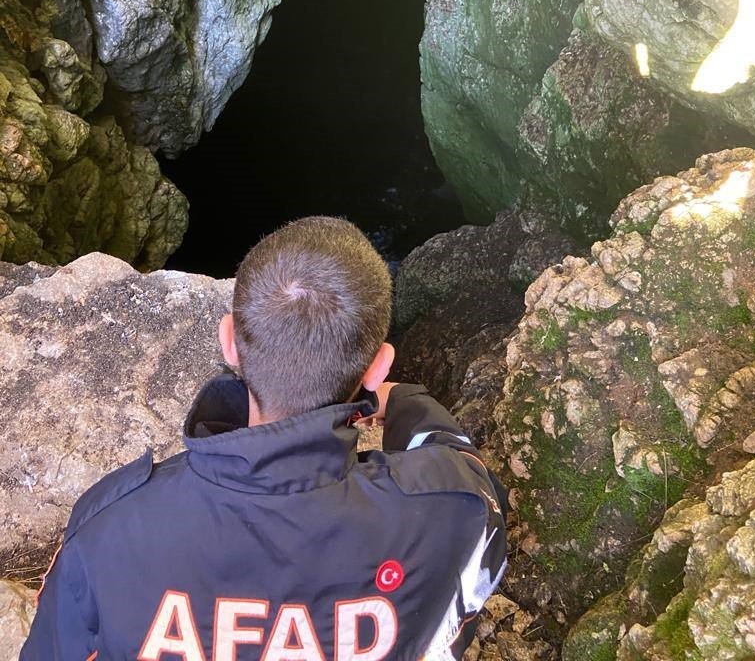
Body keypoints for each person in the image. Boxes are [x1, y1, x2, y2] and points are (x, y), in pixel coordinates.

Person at [21, 216, 507, 661]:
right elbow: (466, 471)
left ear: (229, 342)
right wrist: (402, 400)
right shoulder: (453, 510)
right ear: (378, 366)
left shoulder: (109, 526)